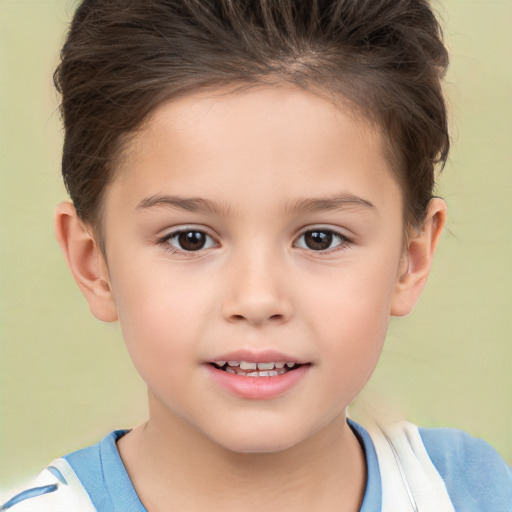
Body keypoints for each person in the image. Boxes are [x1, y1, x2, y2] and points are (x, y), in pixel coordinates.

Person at [1, 0, 511, 511]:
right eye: (190, 239)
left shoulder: (472, 492)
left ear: (412, 257)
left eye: (320, 238)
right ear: (94, 263)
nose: (258, 298)